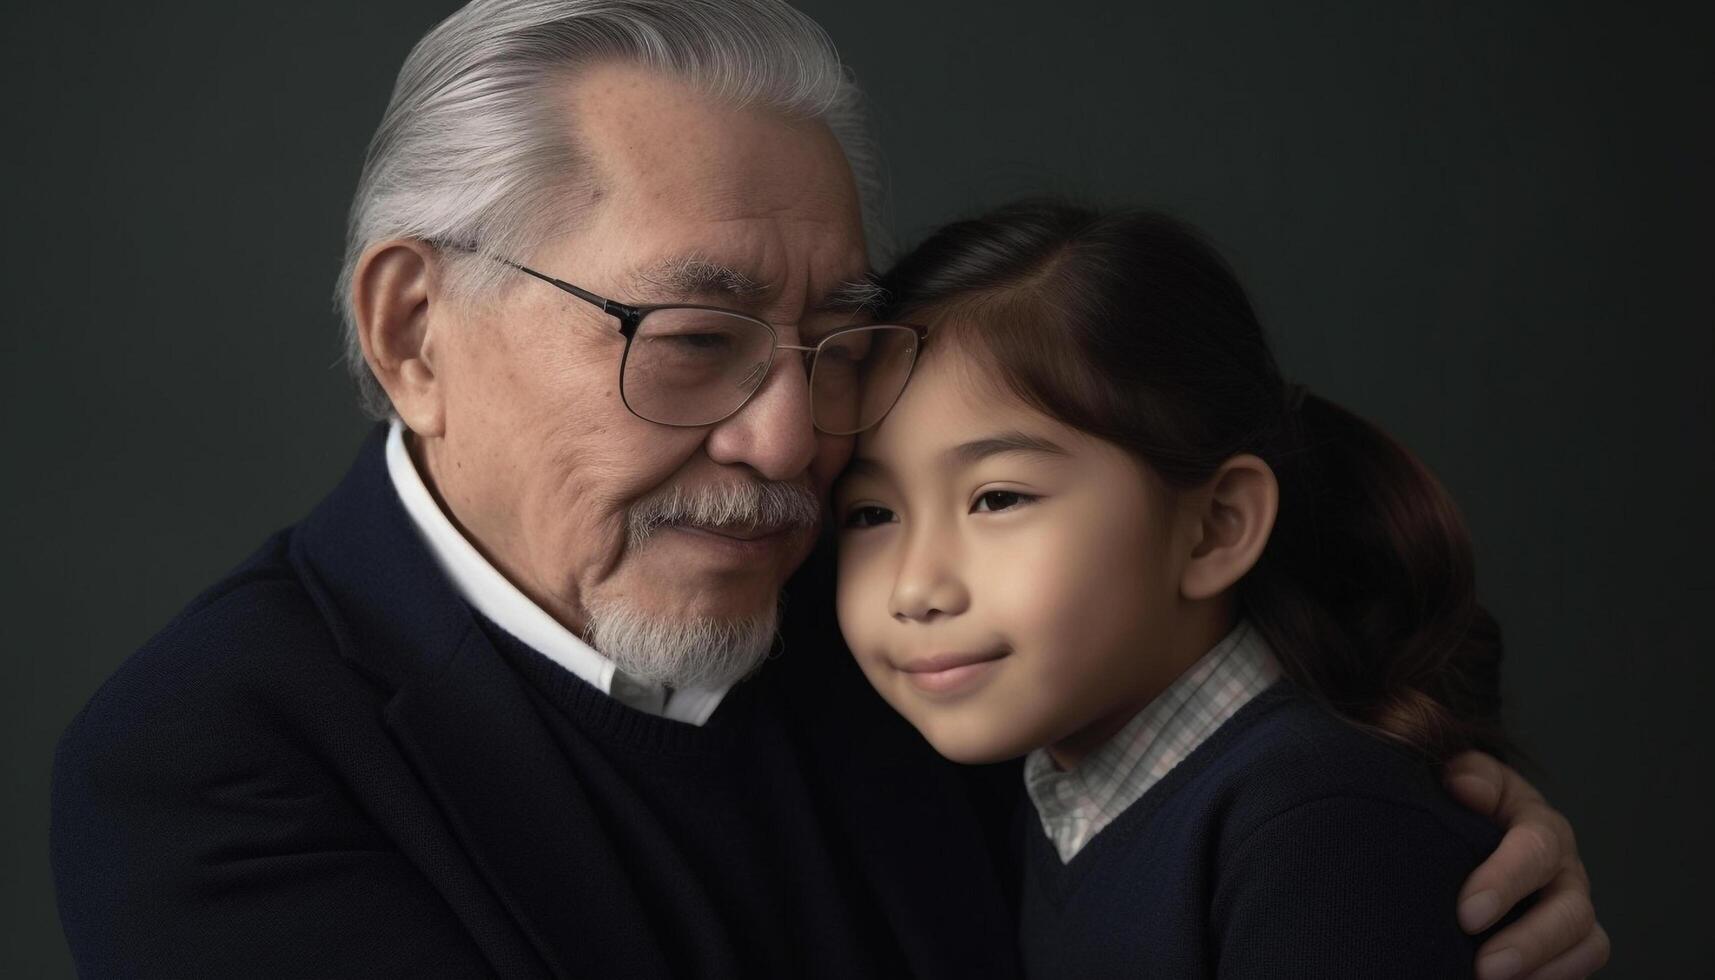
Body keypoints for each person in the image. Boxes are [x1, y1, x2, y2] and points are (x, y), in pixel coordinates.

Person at [50, 2, 1605, 977]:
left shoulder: (886, 607)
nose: (792, 446)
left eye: (835, 341)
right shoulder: (207, 765)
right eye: (695, 337)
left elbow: (1185, 758)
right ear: (413, 333)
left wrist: (1414, 825)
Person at [833, 200, 1590, 978]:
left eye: (997, 498)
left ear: (1215, 527)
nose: (916, 585)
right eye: (869, 513)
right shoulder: (1060, 788)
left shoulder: (1320, 832)